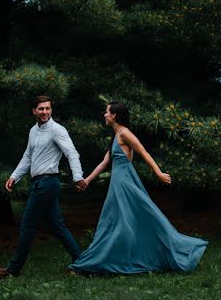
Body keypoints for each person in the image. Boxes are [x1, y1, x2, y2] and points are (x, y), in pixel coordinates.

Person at [68, 101, 208, 274]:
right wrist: (86, 181)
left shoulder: (125, 133)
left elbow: (143, 152)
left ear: (114, 116)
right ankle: (105, 260)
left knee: (137, 218)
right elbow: (104, 163)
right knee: (115, 222)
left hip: (124, 183)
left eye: (106, 112)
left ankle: (179, 249)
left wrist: (159, 173)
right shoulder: (116, 135)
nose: (104, 115)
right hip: (118, 184)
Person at [0, 95, 87, 278]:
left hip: (48, 183)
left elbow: (71, 153)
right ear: (34, 111)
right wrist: (14, 176)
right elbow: (28, 156)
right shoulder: (33, 131)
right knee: (58, 226)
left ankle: (13, 270)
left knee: (27, 224)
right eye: (41, 109)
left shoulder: (57, 130)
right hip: (39, 183)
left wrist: (77, 177)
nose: (45, 112)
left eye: (48, 108)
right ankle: (83, 263)